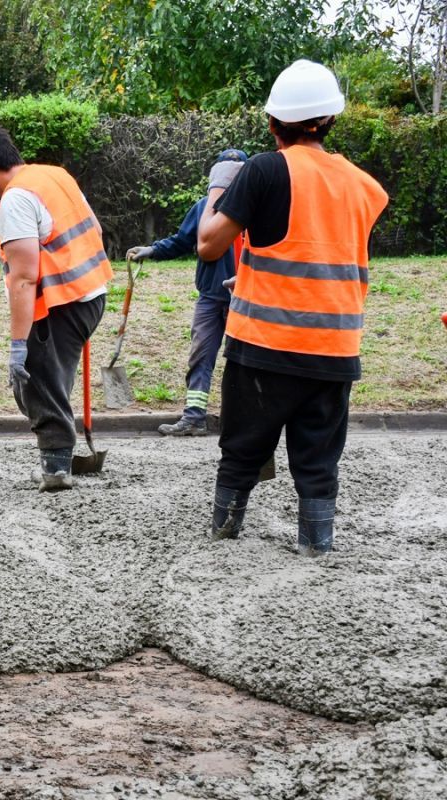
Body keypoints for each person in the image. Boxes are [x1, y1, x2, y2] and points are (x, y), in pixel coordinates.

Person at [196, 60, 388, 556]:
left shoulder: (264, 169)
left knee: (241, 452)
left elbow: (209, 245)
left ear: (272, 123)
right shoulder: (365, 187)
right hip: (335, 350)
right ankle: (316, 545)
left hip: (265, 347)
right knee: (319, 459)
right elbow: (318, 249)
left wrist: (219, 188)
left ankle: (224, 534)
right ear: (330, 120)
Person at [0, 126, 112, 491]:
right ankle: (59, 456)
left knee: (36, 381)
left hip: (58, 304)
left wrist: (18, 346)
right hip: (91, 292)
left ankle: (57, 467)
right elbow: (95, 229)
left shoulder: (15, 199)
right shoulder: (53, 175)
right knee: (50, 378)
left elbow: (24, 278)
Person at [126, 148, 248, 436]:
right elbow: (182, 240)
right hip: (210, 298)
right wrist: (152, 250)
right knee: (201, 356)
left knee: (244, 361)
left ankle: (244, 421)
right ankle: (194, 418)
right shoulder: (204, 207)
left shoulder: (256, 208)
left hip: (246, 298)